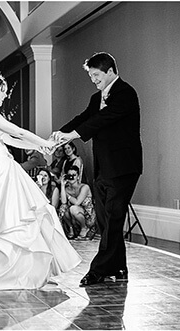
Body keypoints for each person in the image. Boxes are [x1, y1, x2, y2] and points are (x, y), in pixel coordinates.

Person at [0, 72, 79, 290]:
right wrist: (46, 143)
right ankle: (2, 271)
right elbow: (18, 132)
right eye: (3, 91)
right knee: (10, 218)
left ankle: (9, 268)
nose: (5, 95)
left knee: (1, 218)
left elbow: (9, 139)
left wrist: (39, 147)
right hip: (0, 169)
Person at [53, 52, 142, 287]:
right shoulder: (96, 98)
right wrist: (59, 135)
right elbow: (83, 118)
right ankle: (119, 266)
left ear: (110, 71)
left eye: (96, 75)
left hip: (124, 168)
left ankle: (99, 270)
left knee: (113, 219)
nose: (93, 79)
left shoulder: (126, 93)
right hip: (103, 168)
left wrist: (73, 135)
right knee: (106, 221)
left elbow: (101, 120)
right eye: (91, 75)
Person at [59, 165, 93, 240]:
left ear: (78, 176)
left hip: (87, 216)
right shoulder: (67, 189)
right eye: (69, 175)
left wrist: (67, 195)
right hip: (73, 217)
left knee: (73, 208)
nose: (71, 177)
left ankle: (84, 228)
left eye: (74, 175)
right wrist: (62, 185)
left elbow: (77, 202)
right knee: (63, 208)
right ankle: (71, 228)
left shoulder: (84, 187)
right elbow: (64, 202)